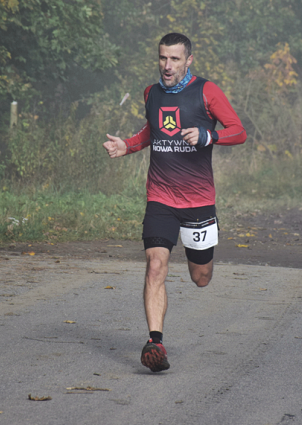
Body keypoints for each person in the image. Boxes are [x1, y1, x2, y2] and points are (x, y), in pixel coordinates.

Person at [103, 32, 247, 372]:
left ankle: (200, 258)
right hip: (161, 196)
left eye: (175, 59)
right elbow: (152, 131)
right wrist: (128, 145)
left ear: (189, 60)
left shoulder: (206, 91)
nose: (167, 66)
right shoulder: (151, 93)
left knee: (201, 277)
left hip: (197, 200)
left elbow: (238, 131)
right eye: (163, 58)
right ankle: (155, 343)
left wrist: (208, 135)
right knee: (155, 265)